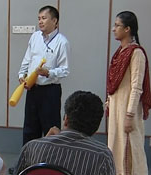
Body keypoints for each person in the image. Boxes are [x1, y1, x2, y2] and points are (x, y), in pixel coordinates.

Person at [14, 91, 116, 175]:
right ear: (96, 127)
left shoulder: (31, 147)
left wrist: (43, 141)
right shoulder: (102, 155)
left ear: (66, 119)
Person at [18, 5, 70, 145]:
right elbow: (27, 59)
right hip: (33, 89)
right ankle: (28, 163)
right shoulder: (35, 37)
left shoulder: (62, 42)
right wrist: (22, 74)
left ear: (55, 21)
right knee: (30, 129)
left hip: (50, 92)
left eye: (44, 18)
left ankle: (50, 164)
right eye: (39, 18)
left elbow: (64, 70)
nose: (40, 21)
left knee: (50, 129)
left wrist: (49, 73)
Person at [107, 11, 150, 175]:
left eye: (117, 25)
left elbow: (136, 88)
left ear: (127, 29)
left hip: (128, 111)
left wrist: (130, 115)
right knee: (115, 148)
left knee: (130, 149)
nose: (113, 29)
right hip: (117, 109)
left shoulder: (136, 53)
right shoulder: (119, 52)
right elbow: (114, 85)